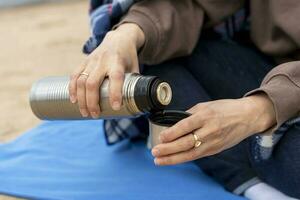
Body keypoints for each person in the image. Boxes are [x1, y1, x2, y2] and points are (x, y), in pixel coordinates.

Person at [68, 0, 300, 199]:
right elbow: (195, 4)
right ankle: (251, 176)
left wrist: (260, 109)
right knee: (149, 67)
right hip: (276, 71)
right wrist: (127, 33)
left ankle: (246, 168)